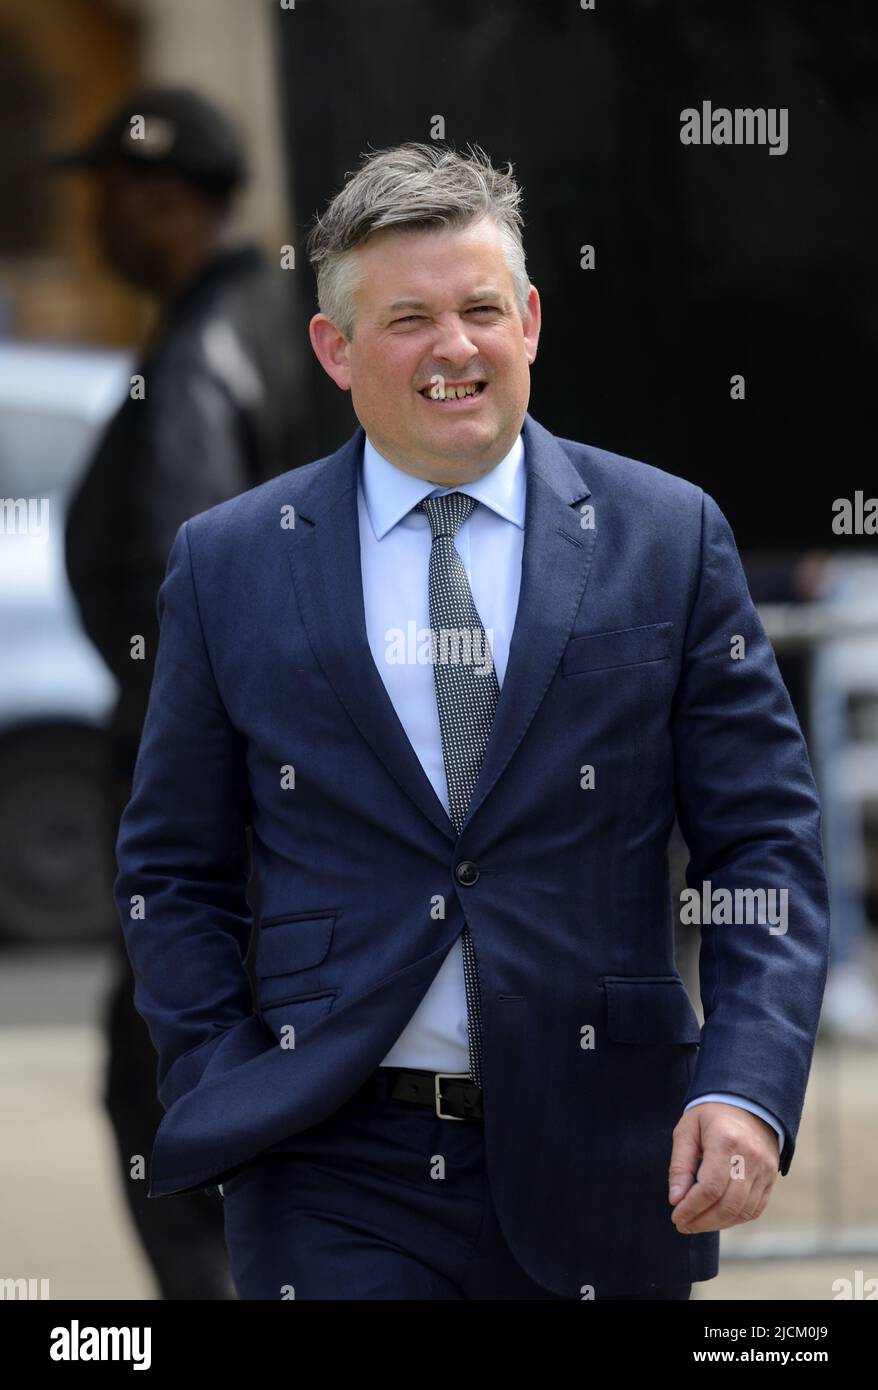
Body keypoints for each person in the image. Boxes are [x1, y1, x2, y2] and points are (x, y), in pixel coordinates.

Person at [113, 142, 830, 1300]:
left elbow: (765, 850)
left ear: (531, 321)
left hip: (609, 1158)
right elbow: (171, 868)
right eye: (407, 319)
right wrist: (222, 1079)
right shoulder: (230, 562)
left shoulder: (667, 535)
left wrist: (741, 1085)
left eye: (480, 309)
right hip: (331, 1163)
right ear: (333, 349)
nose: (453, 348)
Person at [59, 87, 303, 1298]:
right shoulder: (274, 314)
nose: (93, 218)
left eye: (107, 191)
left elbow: (184, 625)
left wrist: (187, 860)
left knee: (166, 1094)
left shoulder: (202, 355)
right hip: (283, 813)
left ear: (158, 199)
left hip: (221, 827)